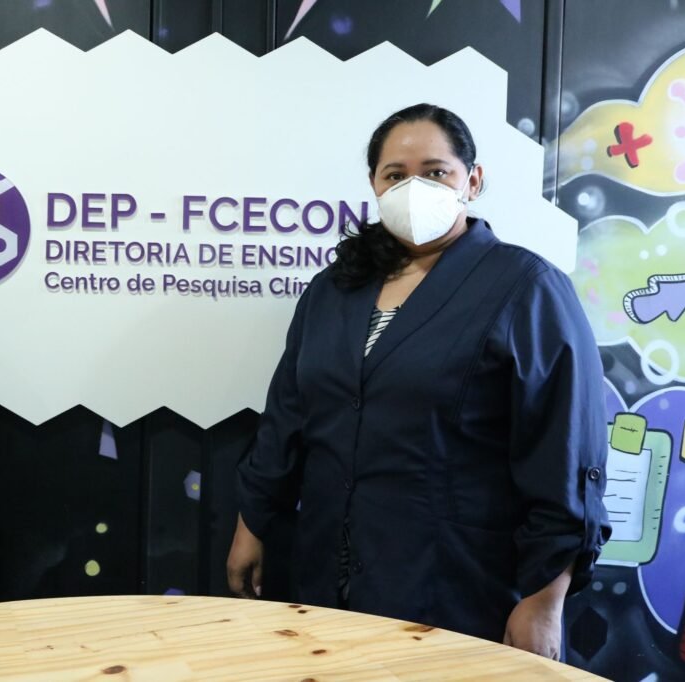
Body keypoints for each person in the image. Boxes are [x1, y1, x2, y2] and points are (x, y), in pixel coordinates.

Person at [227, 103, 610, 660]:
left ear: (472, 181)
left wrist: (544, 600)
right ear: (375, 185)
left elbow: (565, 454)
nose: (414, 188)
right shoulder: (333, 289)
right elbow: (287, 417)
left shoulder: (526, 288)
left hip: (456, 586)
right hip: (324, 580)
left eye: (435, 172)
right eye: (395, 175)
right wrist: (252, 524)